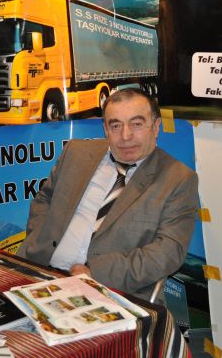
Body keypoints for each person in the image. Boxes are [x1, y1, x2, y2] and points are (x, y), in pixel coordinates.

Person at [17, 88, 199, 303]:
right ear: (105, 128)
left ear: (156, 126)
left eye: (136, 124)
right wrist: (40, 239)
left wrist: (94, 273)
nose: (126, 136)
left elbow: (167, 253)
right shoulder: (76, 152)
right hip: (38, 271)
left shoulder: (177, 179)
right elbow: (45, 199)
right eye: (116, 125)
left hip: (109, 293)